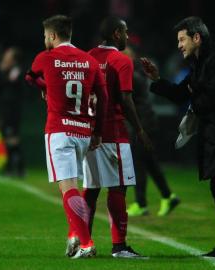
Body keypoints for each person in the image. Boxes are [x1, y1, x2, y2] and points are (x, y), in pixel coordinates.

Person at [141, 16, 215, 258]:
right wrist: (157, 80)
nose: (179, 45)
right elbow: (181, 94)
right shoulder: (200, 62)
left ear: (196, 38)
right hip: (214, 134)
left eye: (182, 39)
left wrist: (193, 92)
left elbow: (214, 98)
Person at [25, 14, 108, 259]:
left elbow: (30, 77)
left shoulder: (45, 58)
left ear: (52, 35)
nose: (44, 40)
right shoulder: (89, 60)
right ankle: (74, 234)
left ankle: (87, 243)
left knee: (68, 188)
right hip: (82, 131)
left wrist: (45, 88)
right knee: (75, 187)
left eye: (45, 36)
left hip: (59, 130)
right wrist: (98, 131)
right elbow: (102, 98)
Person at [82, 16, 151, 258]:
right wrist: (140, 129)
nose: (128, 36)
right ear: (116, 34)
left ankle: (84, 243)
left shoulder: (87, 57)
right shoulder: (121, 60)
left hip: (90, 133)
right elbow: (125, 98)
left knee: (91, 189)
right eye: (125, 31)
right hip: (114, 132)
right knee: (118, 187)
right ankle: (119, 246)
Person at [123, 45, 180, 217]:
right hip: (146, 123)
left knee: (138, 163)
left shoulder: (132, 76)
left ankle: (141, 203)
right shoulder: (137, 74)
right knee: (149, 163)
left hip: (142, 125)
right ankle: (168, 196)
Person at [0, 46, 25, 178]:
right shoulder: (9, 71)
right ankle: (13, 168)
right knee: (8, 139)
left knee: (13, 139)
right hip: (6, 110)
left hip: (13, 111)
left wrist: (2, 70)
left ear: (14, 60)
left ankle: (19, 168)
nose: (5, 57)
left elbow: (9, 84)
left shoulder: (16, 70)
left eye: (8, 56)